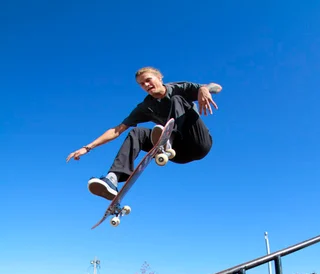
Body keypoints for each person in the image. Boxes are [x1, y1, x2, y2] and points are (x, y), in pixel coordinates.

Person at [66, 67, 222, 200]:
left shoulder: (179, 88)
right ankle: (112, 180)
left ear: (159, 78)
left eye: (148, 80)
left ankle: (167, 140)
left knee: (177, 99)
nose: (146, 85)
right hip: (178, 154)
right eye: (142, 84)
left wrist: (203, 89)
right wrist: (88, 147)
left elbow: (217, 87)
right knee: (137, 132)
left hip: (199, 142)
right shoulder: (146, 107)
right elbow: (117, 129)